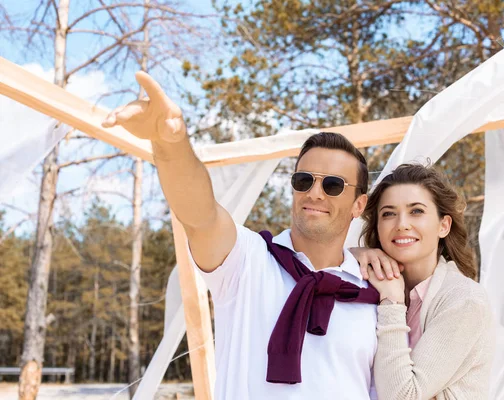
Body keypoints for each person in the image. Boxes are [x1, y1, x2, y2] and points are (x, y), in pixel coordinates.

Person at [102, 72, 380, 400]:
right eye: (304, 180)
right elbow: (199, 215)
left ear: (358, 204)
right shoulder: (248, 261)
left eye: (332, 185)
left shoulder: (375, 292)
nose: (315, 193)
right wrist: (171, 145)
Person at [351, 163, 494, 399]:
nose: (401, 224)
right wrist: (351, 256)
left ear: (443, 225)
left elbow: (403, 395)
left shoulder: (464, 300)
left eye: (416, 211)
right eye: (388, 213)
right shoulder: (367, 283)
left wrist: (393, 303)